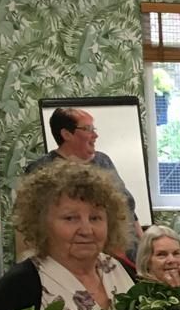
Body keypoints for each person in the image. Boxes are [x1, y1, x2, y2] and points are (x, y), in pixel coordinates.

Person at [0, 161, 169, 310]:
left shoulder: (121, 270)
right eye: (71, 218)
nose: (86, 229)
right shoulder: (20, 285)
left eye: (96, 218)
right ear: (41, 223)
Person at [22, 106, 140, 253]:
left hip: (126, 256)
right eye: (88, 129)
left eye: (94, 129)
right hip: (81, 256)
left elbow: (128, 209)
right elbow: (29, 225)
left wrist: (143, 251)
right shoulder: (42, 168)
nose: (95, 135)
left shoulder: (103, 161)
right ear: (66, 134)